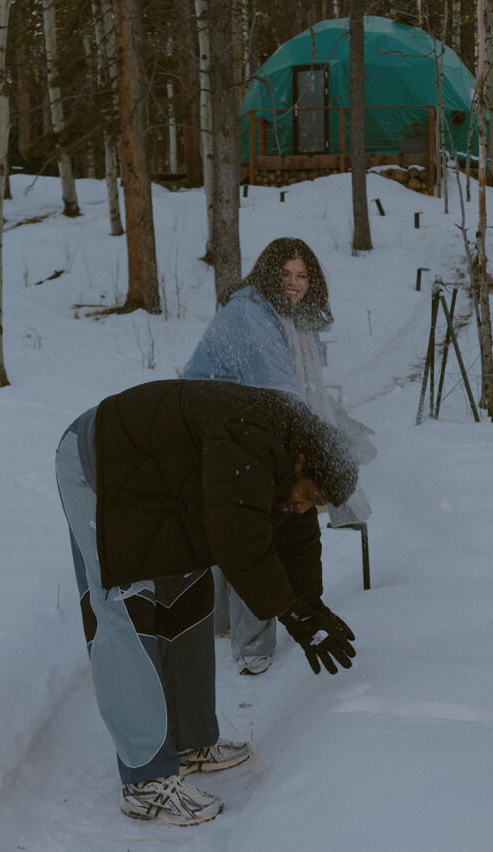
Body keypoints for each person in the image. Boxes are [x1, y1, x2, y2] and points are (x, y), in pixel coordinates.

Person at [55, 378, 358, 827]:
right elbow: (239, 540)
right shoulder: (251, 437)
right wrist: (289, 612)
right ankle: (145, 779)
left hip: (156, 487)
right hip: (100, 468)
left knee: (188, 597)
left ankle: (190, 740)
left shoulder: (287, 450)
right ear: (301, 462)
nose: (306, 508)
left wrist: (308, 602)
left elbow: (292, 534)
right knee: (124, 613)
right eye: (311, 497)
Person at [183, 238, 376, 676]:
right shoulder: (250, 316)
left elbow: (302, 394)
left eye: (303, 275)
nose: (294, 284)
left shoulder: (290, 321)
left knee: (232, 528)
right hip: (224, 434)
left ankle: (224, 626)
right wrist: (323, 444)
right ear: (268, 273)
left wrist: (338, 425)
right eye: (286, 274)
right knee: (256, 531)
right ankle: (253, 650)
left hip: (235, 432)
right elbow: (279, 397)